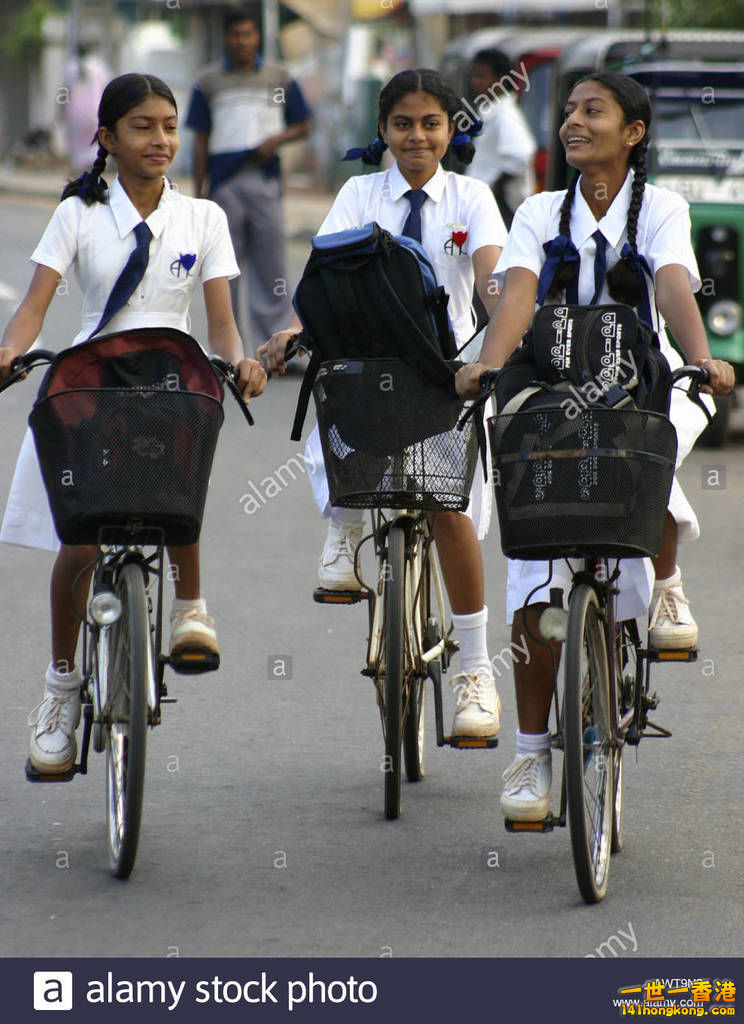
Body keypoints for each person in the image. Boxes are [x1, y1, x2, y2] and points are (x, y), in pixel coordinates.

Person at [456, 72, 735, 819]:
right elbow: (517, 293)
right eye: (570, 112)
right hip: (551, 379)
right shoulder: (540, 211)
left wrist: (704, 356)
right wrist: (488, 365)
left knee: (654, 439)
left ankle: (665, 584)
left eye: (593, 111)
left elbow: (674, 285)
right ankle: (529, 758)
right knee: (532, 587)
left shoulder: (661, 208)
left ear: (633, 133)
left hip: (638, 376)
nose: (573, 122)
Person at [0, 73, 267, 776]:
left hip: (170, 374)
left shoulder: (203, 217)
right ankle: (59, 689)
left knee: (174, 490)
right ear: (108, 137)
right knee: (82, 542)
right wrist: (11, 348)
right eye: (143, 127)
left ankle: (191, 609)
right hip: (91, 380)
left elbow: (221, 324)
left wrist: (238, 364)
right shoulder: (77, 214)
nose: (161, 141)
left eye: (170, 126)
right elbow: (34, 306)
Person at [260, 68, 508, 738]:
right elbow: (321, 277)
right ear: (383, 130)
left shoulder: (473, 198)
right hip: (371, 366)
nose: (417, 136)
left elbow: (492, 280)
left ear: (453, 128)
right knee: (337, 397)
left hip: (449, 373)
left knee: (449, 511)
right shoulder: (358, 193)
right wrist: (289, 330)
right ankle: (342, 534)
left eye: (431, 123)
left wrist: (499, 345)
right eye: (403, 123)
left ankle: (476, 670)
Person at [186, 5, 312, 356]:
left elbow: (303, 123)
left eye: (248, 34)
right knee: (226, 266)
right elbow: (200, 139)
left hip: (265, 180)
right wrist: (200, 195)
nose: (242, 41)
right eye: (236, 35)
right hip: (225, 182)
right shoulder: (208, 82)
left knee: (270, 265)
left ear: (258, 37)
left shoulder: (279, 77)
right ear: (227, 38)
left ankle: (276, 344)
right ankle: (231, 350)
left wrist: (276, 140)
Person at [465, 48, 536, 228]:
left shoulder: (505, 113)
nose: (474, 82)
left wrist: (492, 190)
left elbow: (520, 155)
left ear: (500, 80)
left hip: (499, 208)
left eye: (481, 76)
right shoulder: (492, 110)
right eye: (473, 75)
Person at [63, 43, 112, 174]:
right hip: (94, 112)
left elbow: (64, 92)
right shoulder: (98, 66)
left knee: (78, 143)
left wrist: (60, 113)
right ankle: (93, 168)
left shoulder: (70, 67)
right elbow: (107, 88)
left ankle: (81, 170)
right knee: (94, 141)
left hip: (75, 112)